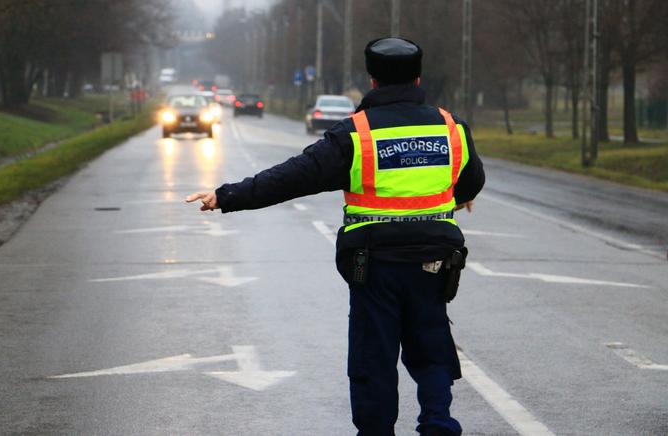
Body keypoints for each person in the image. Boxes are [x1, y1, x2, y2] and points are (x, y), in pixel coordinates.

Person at [187, 37, 484, 436]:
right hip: (434, 261)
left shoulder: (355, 135)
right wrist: (460, 196)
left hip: (375, 266)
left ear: (372, 80)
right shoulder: (451, 127)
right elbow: (471, 179)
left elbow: (292, 177)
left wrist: (225, 196)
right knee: (431, 340)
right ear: (417, 76)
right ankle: (438, 422)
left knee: (373, 356)